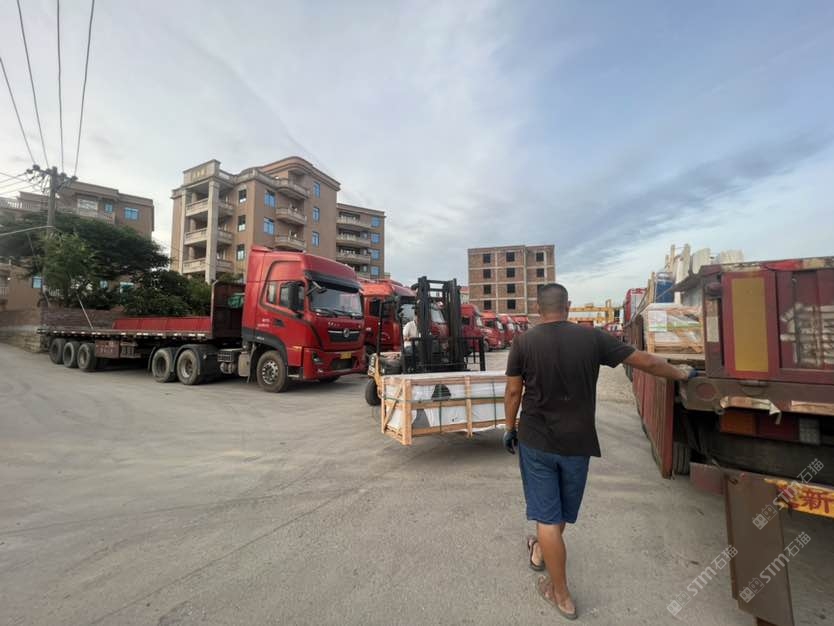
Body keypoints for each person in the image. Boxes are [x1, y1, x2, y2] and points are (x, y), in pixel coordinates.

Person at [502, 283, 694, 619]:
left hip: (536, 441)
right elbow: (646, 361)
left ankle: (560, 593)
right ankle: (541, 554)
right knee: (560, 513)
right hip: (578, 442)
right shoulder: (592, 338)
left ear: (538, 309)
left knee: (548, 516)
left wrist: (509, 428)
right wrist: (681, 373)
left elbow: (513, 392)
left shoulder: (523, 342)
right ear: (568, 306)